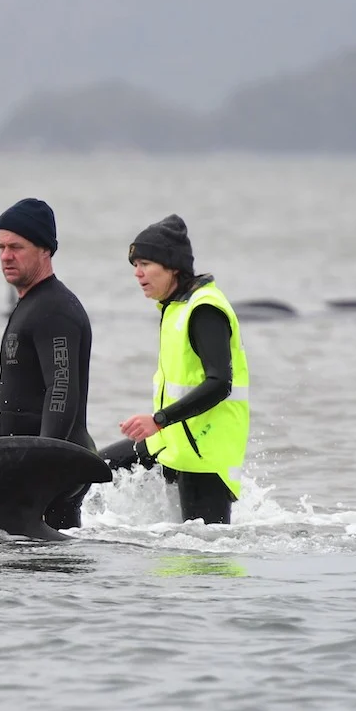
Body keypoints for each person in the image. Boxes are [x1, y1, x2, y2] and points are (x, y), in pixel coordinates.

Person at [102, 214, 250, 524]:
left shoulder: (204, 309)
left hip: (205, 456)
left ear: (173, 267)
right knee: (92, 470)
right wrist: (160, 425)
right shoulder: (175, 307)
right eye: (134, 266)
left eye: (145, 264)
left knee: (200, 559)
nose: (137, 274)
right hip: (170, 441)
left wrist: (159, 419)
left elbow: (220, 383)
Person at [0, 198, 96, 529]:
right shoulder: (31, 305)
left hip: (54, 466)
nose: (6, 256)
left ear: (44, 250)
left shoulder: (55, 311)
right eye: (1, 246)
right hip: (33, 461)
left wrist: (44, 462)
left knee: (46, 570)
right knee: (32, 567)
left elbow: (61, 387)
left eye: (16, 247)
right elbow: (18, 396)